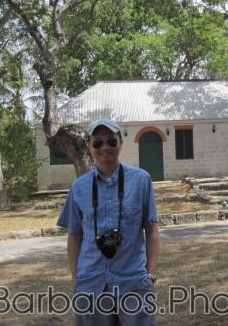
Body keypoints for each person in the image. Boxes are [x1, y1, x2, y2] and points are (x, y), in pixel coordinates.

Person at [57, 118, 160, 325]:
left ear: (120, 142)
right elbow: (74, 235)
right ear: (89, 146)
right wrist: (77, 278)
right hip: (91, 283)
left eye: (111, 141)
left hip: (133, 281)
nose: (105, 147)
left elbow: (151, 229)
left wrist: (149, 274)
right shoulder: (79, 187)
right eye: (97, 142)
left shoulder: (141, 180)